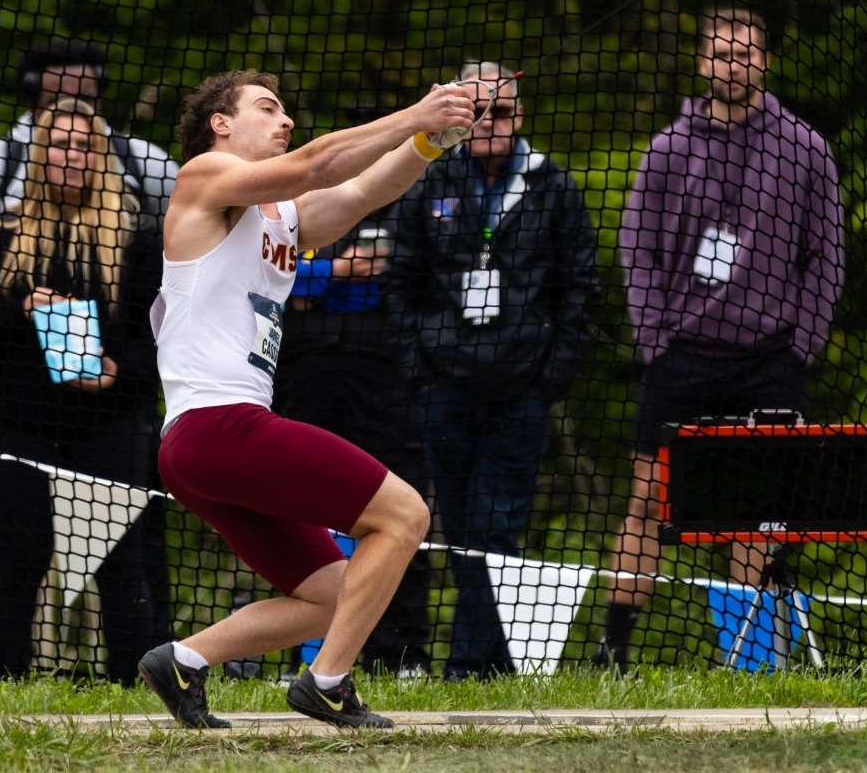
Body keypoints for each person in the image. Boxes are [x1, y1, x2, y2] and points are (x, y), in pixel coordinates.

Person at [139, 68, 474, 729]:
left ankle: (181, 659)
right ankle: (326, 684)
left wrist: (429, 142)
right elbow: (318, 163)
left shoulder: (278, 217)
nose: (284, 118)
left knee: (331, 595)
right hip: (219, 425)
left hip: (198, 444)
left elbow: (358, 191)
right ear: (221, 124)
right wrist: (415, 110)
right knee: (404, 516)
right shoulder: (205, 175)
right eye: (267, 108)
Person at [598, 7, 845, 672]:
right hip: (681, 357)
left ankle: (753, 661)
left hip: (768, 358)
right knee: (647, 500)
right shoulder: (667, 148)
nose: (731, 65)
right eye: (719, 54)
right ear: (701, 61)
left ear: (764, 61)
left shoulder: (804, 147)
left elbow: (825, 258)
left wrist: (800, 348)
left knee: (758, 511)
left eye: (744, 54)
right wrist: (655, 336)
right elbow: (636, 250)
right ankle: (614, 649)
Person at [386, 63, 601, 681]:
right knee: (455, 528)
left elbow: (579, 286)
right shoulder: (429, 179)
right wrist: (418, 366)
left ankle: (469, 665)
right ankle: (484, 658)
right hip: (445, 384)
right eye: (475, 113)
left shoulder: (551, 187)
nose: (487, 125)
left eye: (499, 113)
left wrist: (550, 375)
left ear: (520, 117)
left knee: (496, 527)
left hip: (520, 387)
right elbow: (402, 280)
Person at [0, 96, 167, 683]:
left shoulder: (138, 242)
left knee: (121, 566)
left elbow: (165, 334)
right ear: (39, 155)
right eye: (58, 145)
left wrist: (118, 371)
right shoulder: (2, 236)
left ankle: (139, 683)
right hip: (23, 425)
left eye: (82, 146)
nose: (69, 156)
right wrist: (19, 309)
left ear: (99, 157)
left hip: (112, 423)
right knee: (17, 563)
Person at [272, 208, 435, 678]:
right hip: (305, 383)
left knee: (399, 514)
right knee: (304, 513)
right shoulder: (296, 207)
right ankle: (307, 654)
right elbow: (279, 280)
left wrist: (321, 287)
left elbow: (406, 281)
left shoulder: (411, 208)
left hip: (386, 386)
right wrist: (334, 272)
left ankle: (398, 655)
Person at [0, 39, 177, 221]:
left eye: (86, 98)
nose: (73, 107)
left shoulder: (144, 161)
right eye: (58, 99)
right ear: (31, 100)